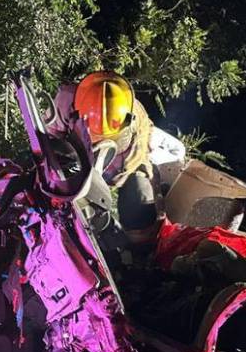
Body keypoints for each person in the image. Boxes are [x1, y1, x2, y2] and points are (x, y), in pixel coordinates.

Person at [54, 71, 186, 255]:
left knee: (138, 205)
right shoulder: (66, 101)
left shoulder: (137, 127)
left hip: (120, 172)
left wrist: (151, 192)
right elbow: (49, 137)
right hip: (80, 165)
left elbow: (139, 164)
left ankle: (140, 252)